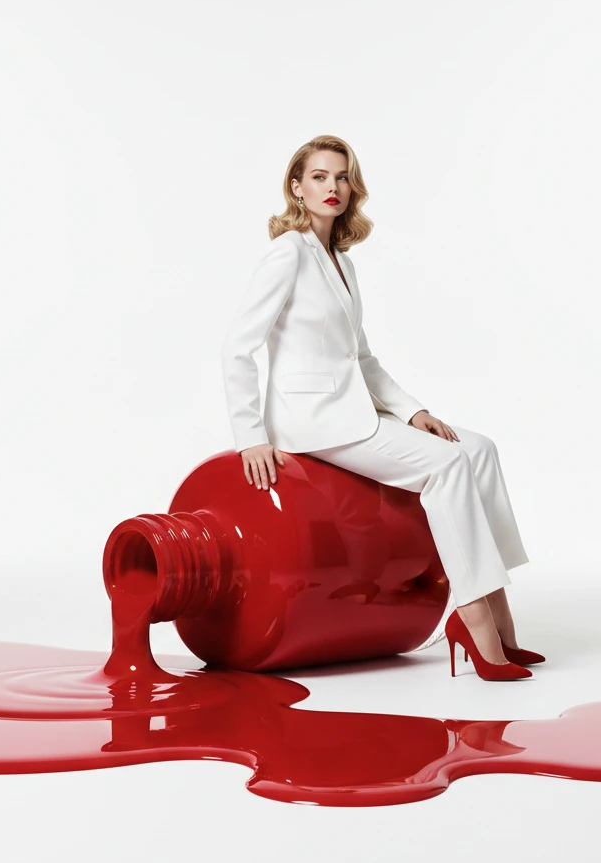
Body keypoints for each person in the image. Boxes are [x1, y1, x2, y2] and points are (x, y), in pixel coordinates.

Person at [220, 135, 543, 681]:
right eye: (319, 177)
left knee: (478, 449)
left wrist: (413, 411)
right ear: (296, 188)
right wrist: (250, 433)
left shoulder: (341, 261)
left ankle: (502, 616)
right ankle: (474, 620)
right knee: (446, 467)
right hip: (311, 419)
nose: (333, 187)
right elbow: (237, 345)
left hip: (356, 407)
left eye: (341, 177)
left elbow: (362, 357)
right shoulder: (288, 253)